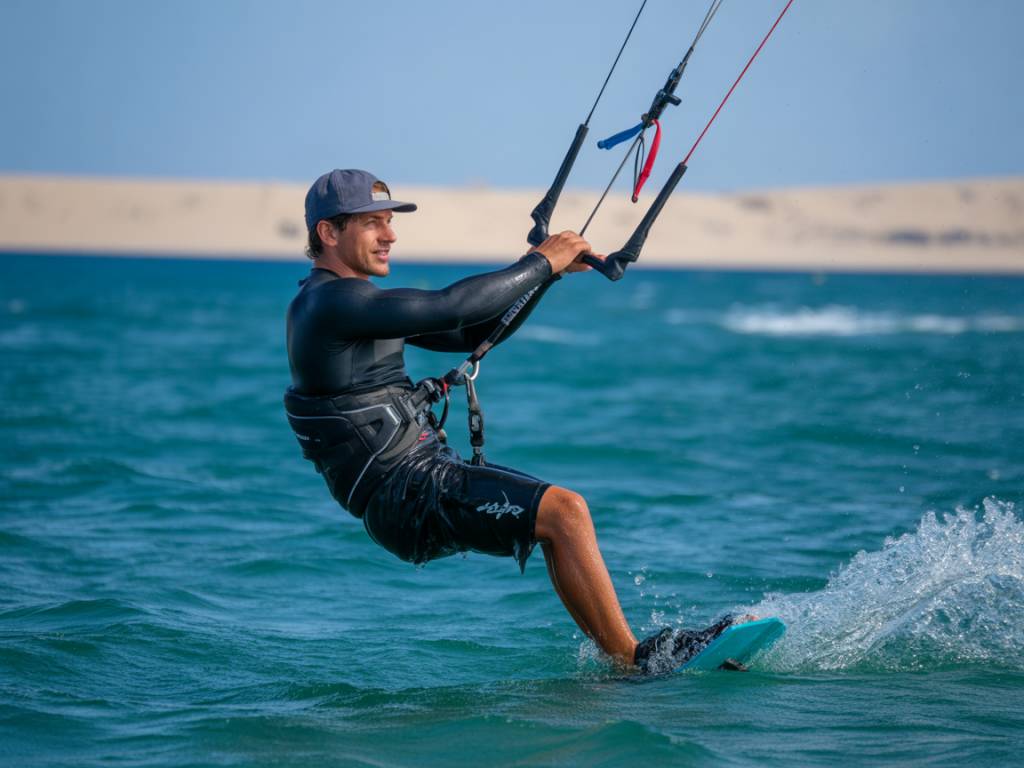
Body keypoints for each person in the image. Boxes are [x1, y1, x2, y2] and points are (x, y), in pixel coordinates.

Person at [284, 169, 739, 672]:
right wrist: (540, 261)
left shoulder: (358, 303)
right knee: (565, 512)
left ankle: (625, 662)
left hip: (415, 481)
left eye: (389, 222)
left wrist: (548, 275)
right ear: (328, 232)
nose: (390, 235)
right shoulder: (329, 302)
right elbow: (448, 305)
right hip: (404, 491)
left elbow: (472, 331)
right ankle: (633, 666)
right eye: (373, 224)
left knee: (560, 518)